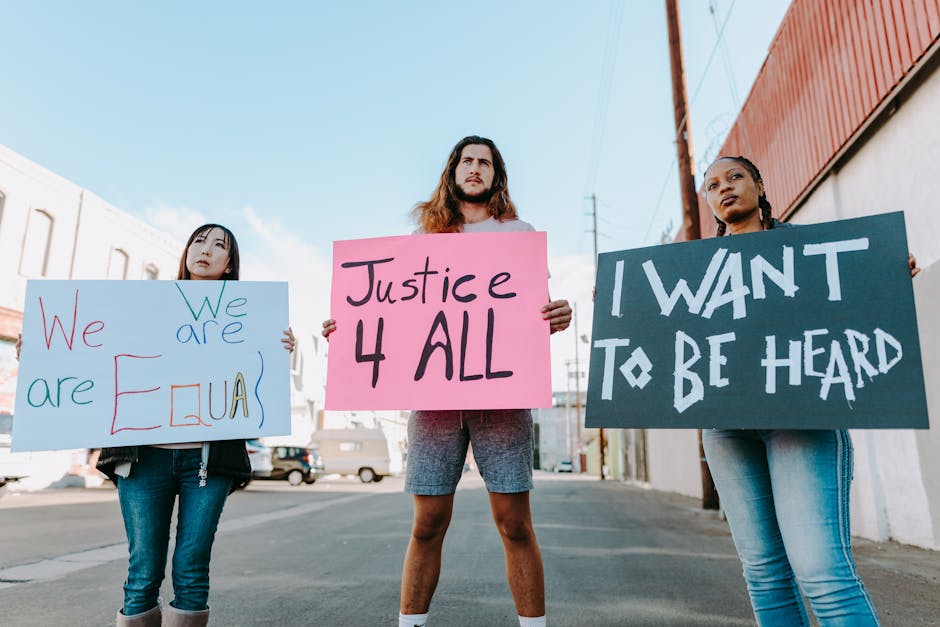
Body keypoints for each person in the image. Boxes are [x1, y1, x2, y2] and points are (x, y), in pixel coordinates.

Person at [323, 136, 571, 627]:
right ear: (452, 172)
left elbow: (530, 311)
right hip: (434, 402)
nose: (475, 168)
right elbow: (392, 313)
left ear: (496, 176)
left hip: (502, 397)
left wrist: (559, 312)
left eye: (485, 162)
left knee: (515, 524)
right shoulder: (423, 242)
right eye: (467, 161)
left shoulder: (519, 234)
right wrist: (347, 327)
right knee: (427, 525)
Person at [17, 224, 296, 627]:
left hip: (208, 462)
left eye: (219, 245)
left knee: (192, 567)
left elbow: (256, 385)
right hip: (143, 460)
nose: (206, 250)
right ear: (186, 251)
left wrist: (280, 348)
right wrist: (43, 352)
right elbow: (95, 357)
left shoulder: (249, 317)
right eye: (199, 241)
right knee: (143, 571)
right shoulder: (141, 307)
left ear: (229, 262)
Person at [700, 156, 919, 627]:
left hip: (801, 421)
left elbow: (858, 306)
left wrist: (887, 275)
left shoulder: (814, 250)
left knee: (823, 573)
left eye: (735, 176)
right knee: (763, 574)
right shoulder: (695, 271)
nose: (725, 188)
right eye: (713, 184)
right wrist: (623, 301)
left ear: (759, 184)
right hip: (725, 429)